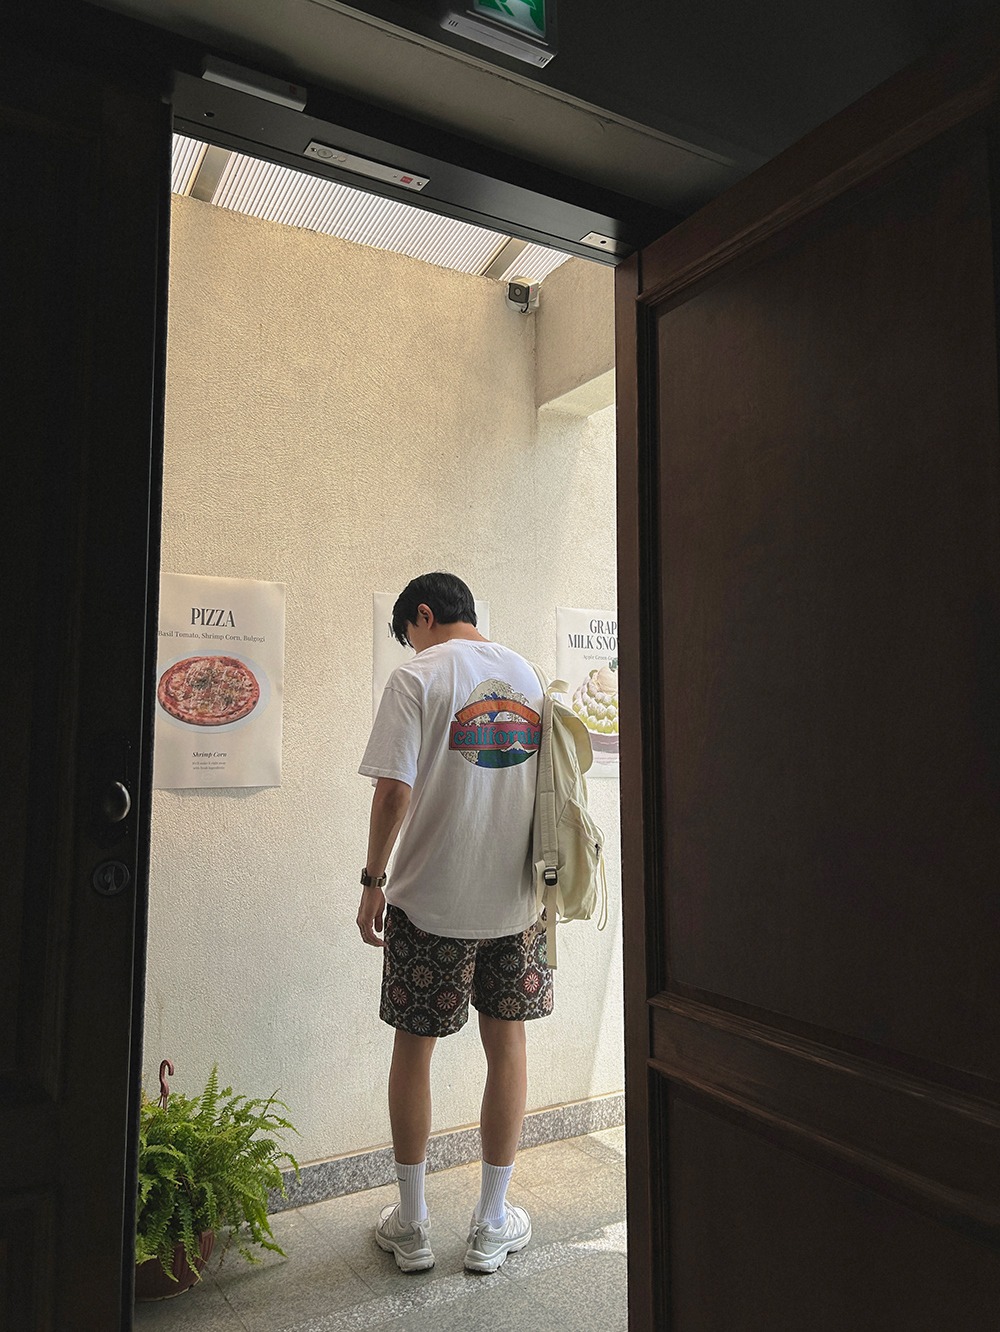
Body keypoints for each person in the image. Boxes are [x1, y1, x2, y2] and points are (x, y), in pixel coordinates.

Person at [357, 571, 552, 1274]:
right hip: (516, 903)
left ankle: (412, 1228)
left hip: (431, 902)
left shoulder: (418, 676)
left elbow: (393, 791)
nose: (411, 645)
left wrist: (372, 881)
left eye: (408, 634)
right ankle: (491, 1224)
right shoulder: (527, 674)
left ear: (423, 615)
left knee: (415, 1050)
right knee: (508, 1046)